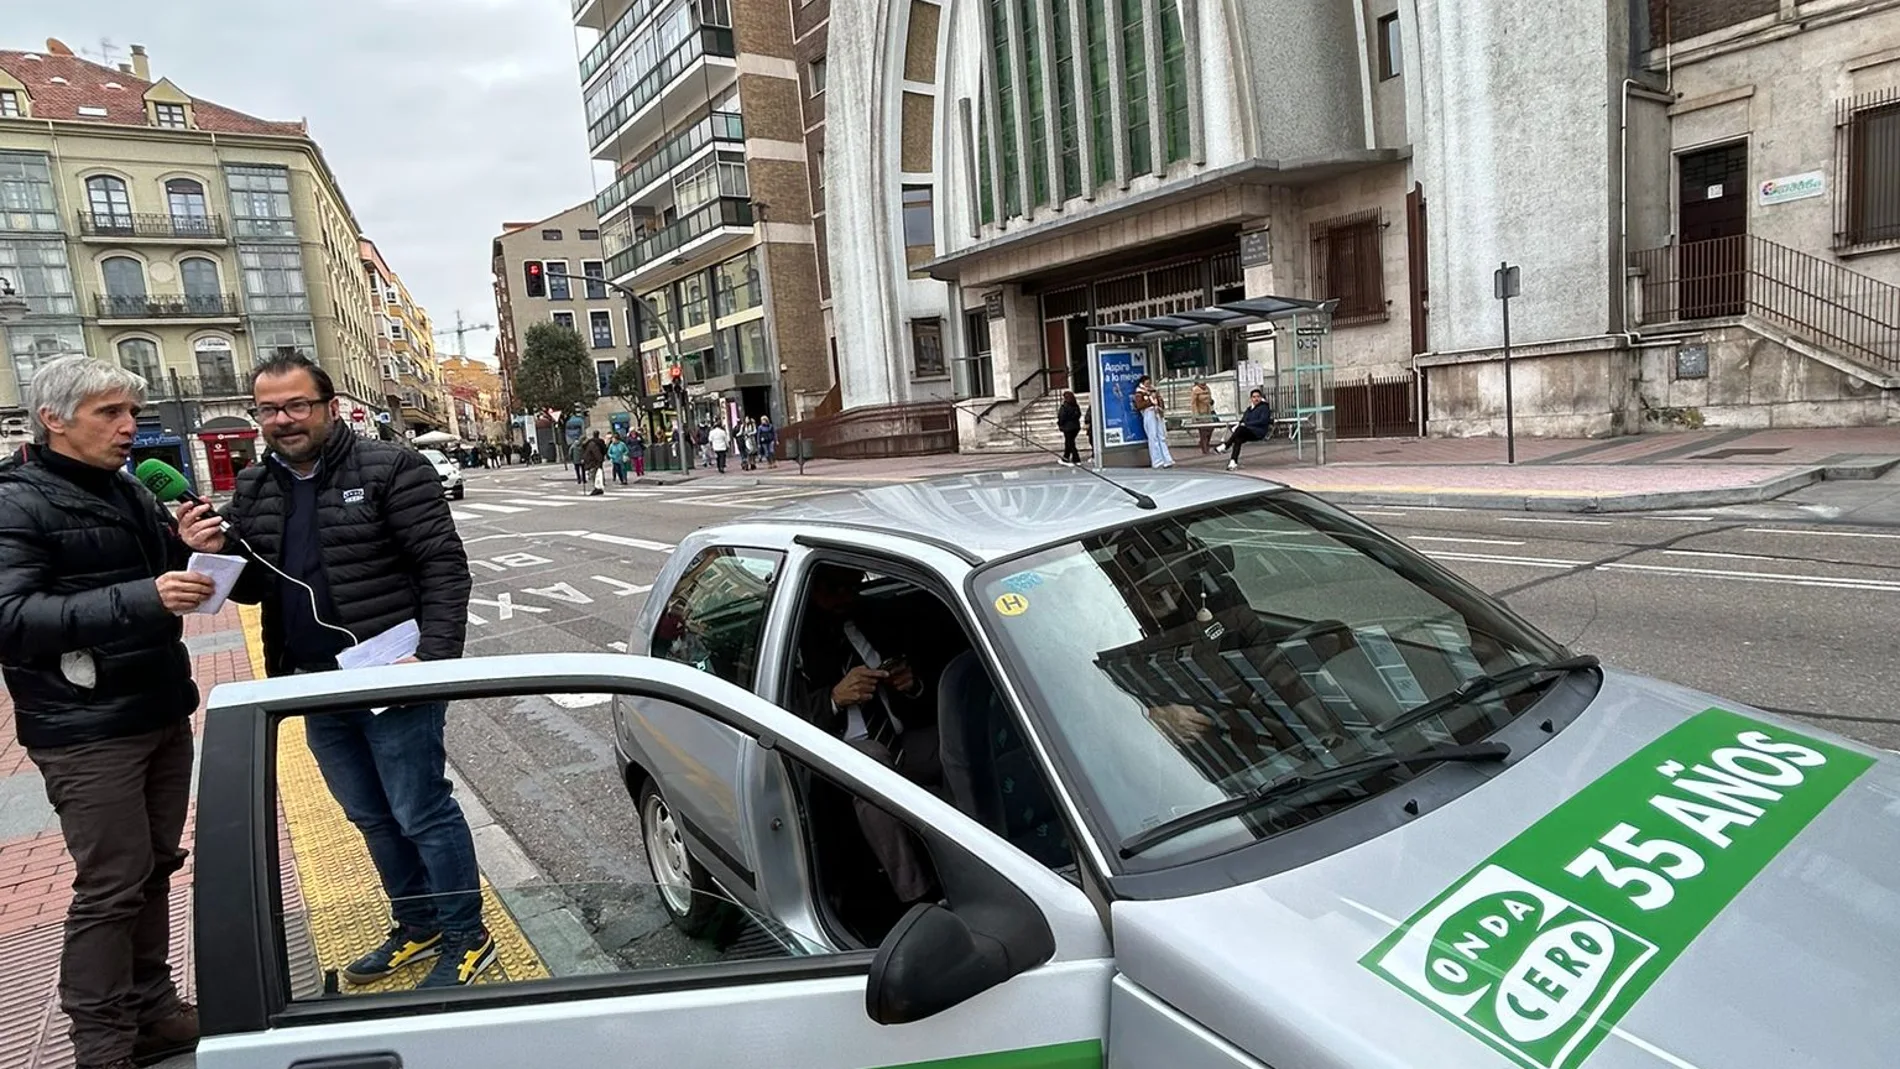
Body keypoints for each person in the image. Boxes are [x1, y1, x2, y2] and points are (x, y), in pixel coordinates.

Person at [175, 352, 489, 991]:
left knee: (420, 809)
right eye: (269, 409)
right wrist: (215, 555)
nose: (283, 420)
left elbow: (443, 568)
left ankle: (466, 934)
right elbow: (261, 590)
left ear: (330, 406)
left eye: (297, 405)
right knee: (368, 814)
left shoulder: (391, 467)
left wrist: (430, 661)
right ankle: (418, 923)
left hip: (389, 674)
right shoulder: (258, 486)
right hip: (314, 681)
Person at [0, 356, 216, 1069]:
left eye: (131, 411)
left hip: (157, 704)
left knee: (154, 865)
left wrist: (188, 544)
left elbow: (156, 576)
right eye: (109, 413)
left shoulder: (128, 490)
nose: (130, 427)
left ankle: (154, 1006)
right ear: (53, 419)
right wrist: (147, 595)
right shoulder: (15, 501)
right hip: (85, 727)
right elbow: (11, 617)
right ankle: (100, 1043)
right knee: (113, 881)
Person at [793, 566, 942, 904]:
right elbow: (784, 712)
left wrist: (911, 684)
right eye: (834, 589)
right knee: (872, 765)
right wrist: (833, 698)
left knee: (958, 738)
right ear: (812, 588)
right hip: (843, 750)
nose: (845, 597)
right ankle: (919, 896)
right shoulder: (795, 639)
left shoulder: (875, 620)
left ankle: (995, 853)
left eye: (853, 586)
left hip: (903, 738)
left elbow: (930, 681)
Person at [1224, 389, 1275, 470]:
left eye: (1258, 397)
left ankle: (1226, 445)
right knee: (1238, 439)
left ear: (1261, 398)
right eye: (1254, 397)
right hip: (1249, 431)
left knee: (1240, 429)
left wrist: (1247, 424)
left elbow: (1262, 421)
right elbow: (1244, 419)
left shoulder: (1264, 408)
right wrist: (1240, 423)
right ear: (1251, 399)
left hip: (1258, 432)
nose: (1256, 399)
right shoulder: (1249, 409)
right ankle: (1233, 461)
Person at [1133, 375, 1175, 469]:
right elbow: (1139, 406)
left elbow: (1161, 401)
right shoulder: (1139, 393)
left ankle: (1167, 459)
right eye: (1147, 383)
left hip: (1157, 413)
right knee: (1153, 437)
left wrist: (1159, 403)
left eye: (1149, 383)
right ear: (1143, 383)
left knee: (1161, 436)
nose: (1148, 385)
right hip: (1148, 414)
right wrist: (1150, 402)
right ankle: (1157, 460)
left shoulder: (1154, 391)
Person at [1056, 390, 1083, 466]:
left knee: (1070, 443)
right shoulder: (1075, 406)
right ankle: (1065, 457)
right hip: (1076, 427)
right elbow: (1079, 414)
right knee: (1069, 443)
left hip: (1068, 428)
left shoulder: (1065, 406)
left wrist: (1060, 425)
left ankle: (1076, 459)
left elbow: (1061, 417)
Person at [1190, 380, 1215, 454]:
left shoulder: (1207, 388)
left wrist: (1211, 401)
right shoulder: (1195, 390)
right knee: (1203, 432)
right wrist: (1196, 414)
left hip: (1208, 412)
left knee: (1211, 428)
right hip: (1200, 413)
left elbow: (1210, 398)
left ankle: (1204, 443)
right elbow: (1193, 403)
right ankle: (1205, 449)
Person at [582, 431, 607, 496]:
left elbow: (597, 454)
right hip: (592, 462)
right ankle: (598, 488)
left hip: (593, 463)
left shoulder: (591, 445)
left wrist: (599, 462)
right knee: (595, 475)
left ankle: (597, 488)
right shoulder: (589, 444)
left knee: (594, 475)